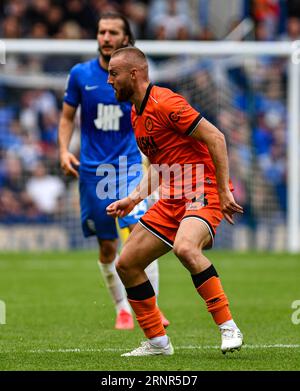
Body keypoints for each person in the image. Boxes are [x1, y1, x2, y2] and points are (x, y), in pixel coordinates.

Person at [106, 47, 244, 356]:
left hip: (202, 189)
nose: (109, 80)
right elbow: (159, 165)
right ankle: (157, 342)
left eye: (114, 73)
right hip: (171, 197)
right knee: (126, 264)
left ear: (134, 74)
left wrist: (223, 191)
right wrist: (132, 199)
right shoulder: (135, 113)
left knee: (185, 247)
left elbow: (216, 137)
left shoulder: (166, 103)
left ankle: (228, 327)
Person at [58, 12, 169, 330]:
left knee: (140, 234)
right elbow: (67, 118)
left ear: (126, 38)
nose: (105, 37)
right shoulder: (80, 75)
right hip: (92, 173)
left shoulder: (137, 78)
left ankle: (152, 309)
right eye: (101, 31)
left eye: (113, 32)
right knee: (107, 247)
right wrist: (64, 150)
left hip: (129, 168)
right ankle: (122, 306)